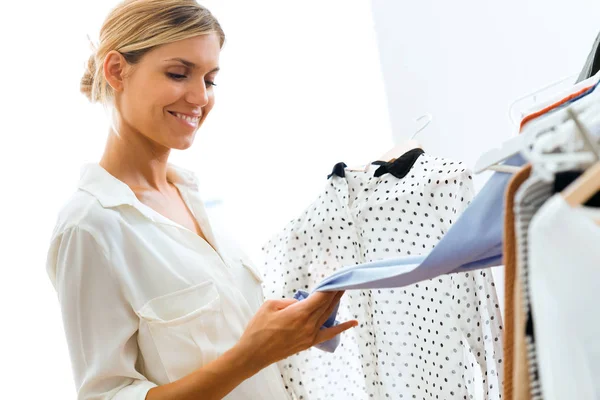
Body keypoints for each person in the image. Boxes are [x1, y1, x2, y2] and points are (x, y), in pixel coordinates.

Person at [45, 1, 358, 399]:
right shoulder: (90, 226)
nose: (199, 97)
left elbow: (227, 346)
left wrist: (291, 327)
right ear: (116, 71)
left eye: (210, 80)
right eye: (179, 74)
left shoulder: (192, 199)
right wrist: (252, 354)